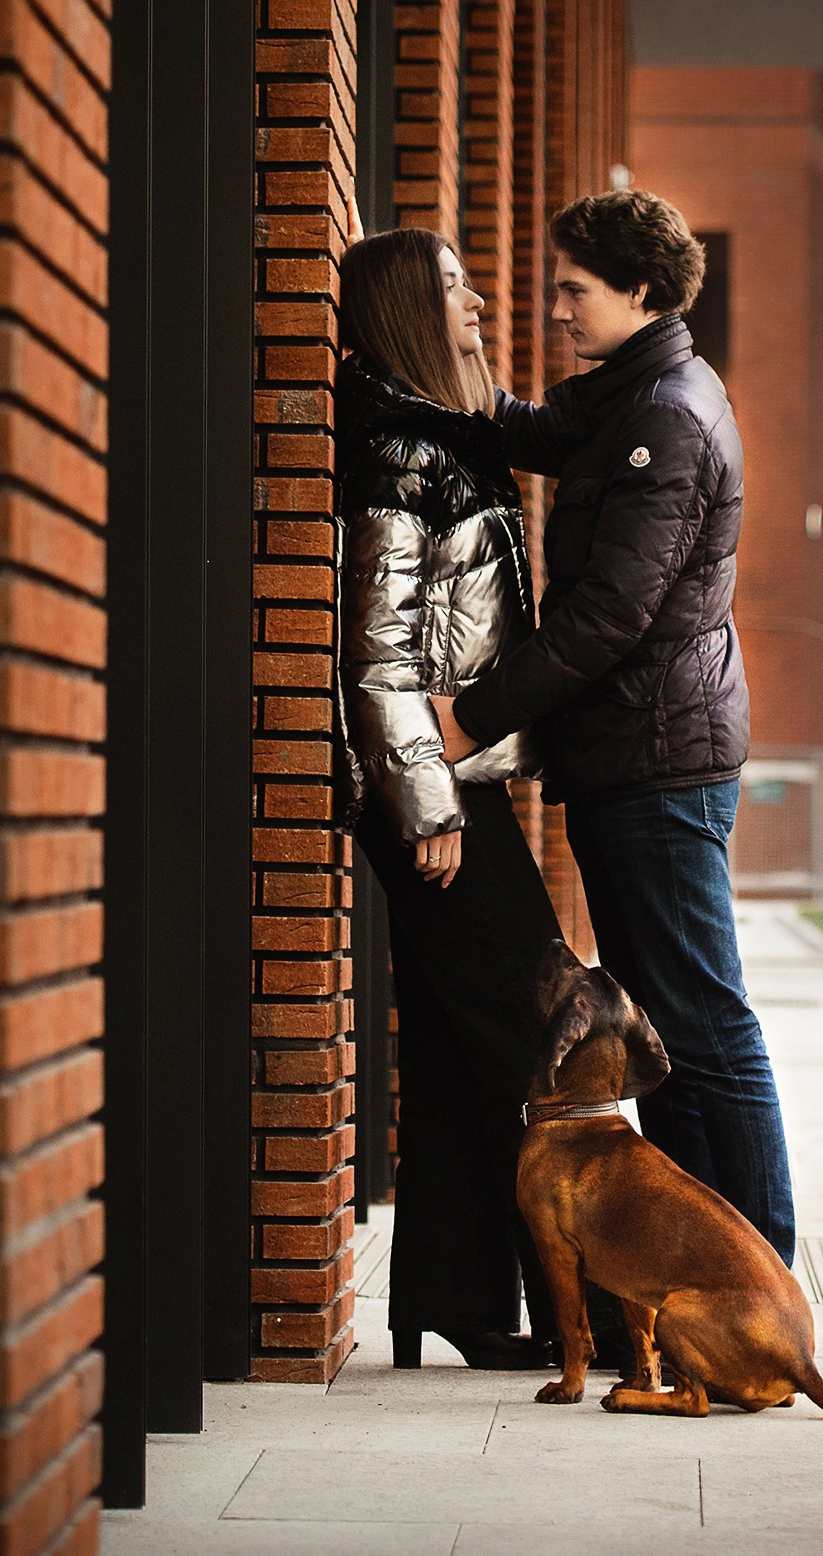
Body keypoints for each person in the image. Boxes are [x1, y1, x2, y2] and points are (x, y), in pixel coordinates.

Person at [431, 189, 795, 1266]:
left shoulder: (668, 416)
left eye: (572, 289)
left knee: (705, 1026)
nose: (554, 308)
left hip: (658, 761)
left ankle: (759, 1278)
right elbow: (530, 429)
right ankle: (709, 1264)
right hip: (634, 756)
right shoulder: (632, 393)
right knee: (670, 1033)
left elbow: (609, 615)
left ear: (638, 291)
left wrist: (472, 714)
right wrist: (441, 356)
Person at [335, 226, 566, 1371]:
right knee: (537, 1028)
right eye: (454, 287)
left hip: (452, 780)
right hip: (430, 792)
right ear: (409, 311)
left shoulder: (436, 438)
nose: (477, 301)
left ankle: (449, 1299)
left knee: (450, 1038)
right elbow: (374, 651)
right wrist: (421, 805)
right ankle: (583, 1311)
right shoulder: (398, 450)